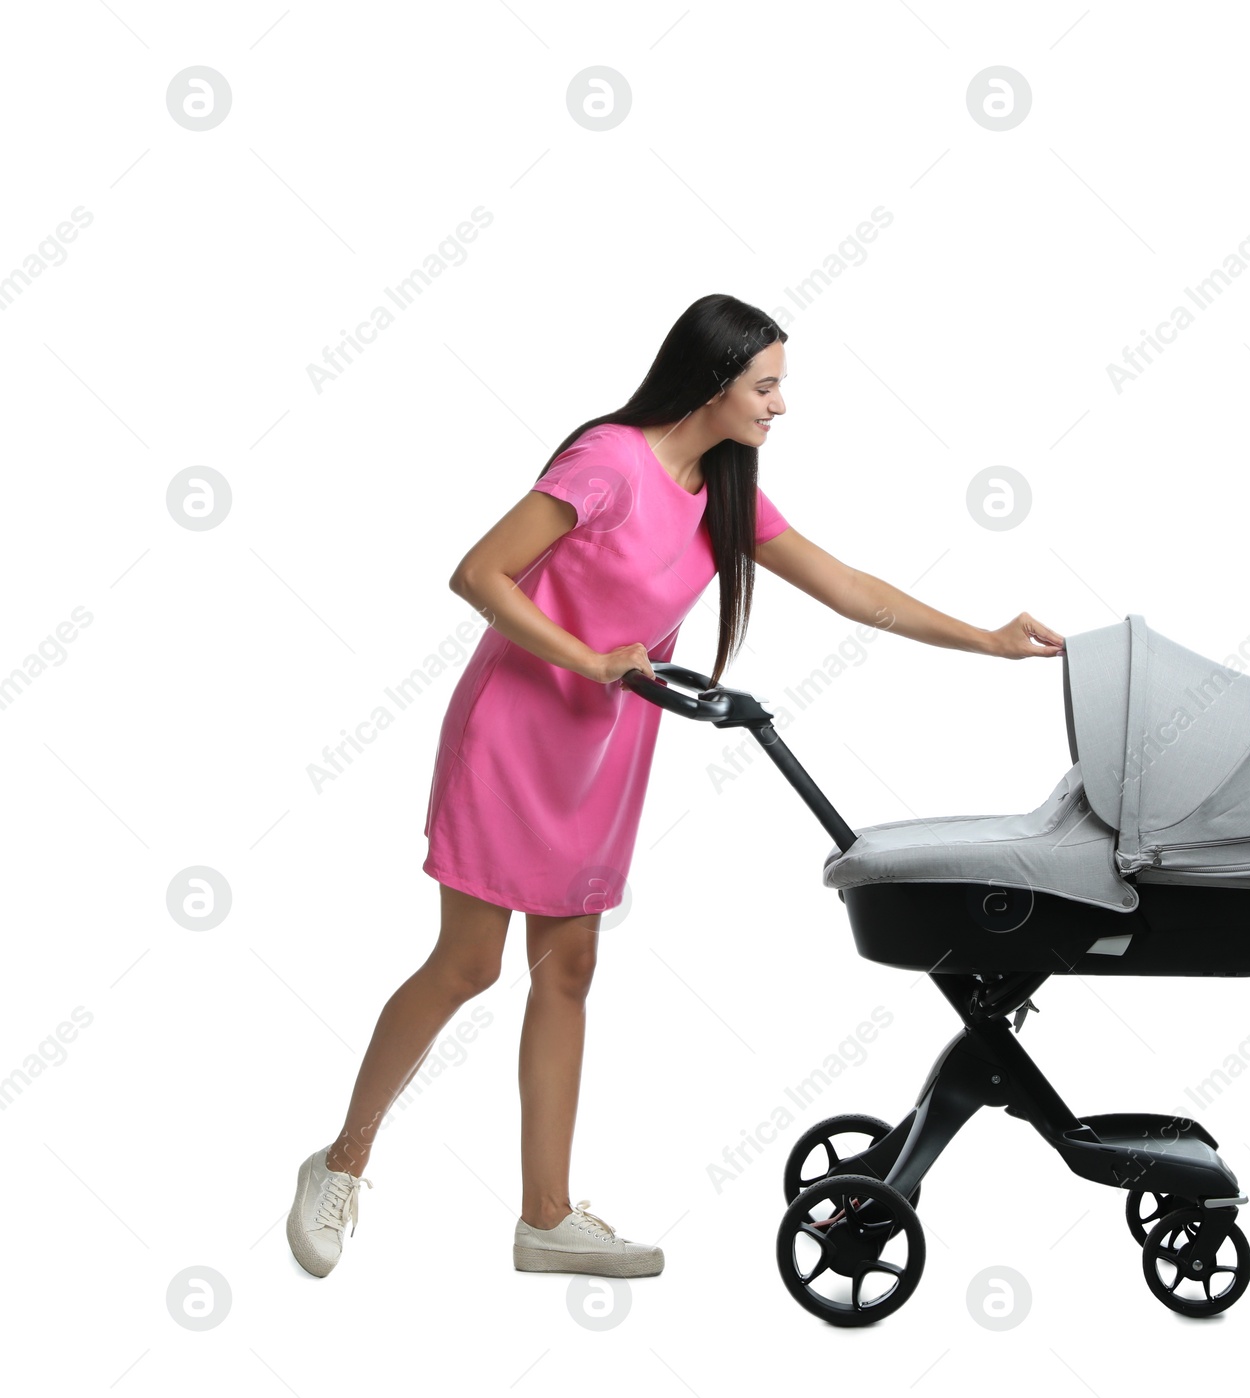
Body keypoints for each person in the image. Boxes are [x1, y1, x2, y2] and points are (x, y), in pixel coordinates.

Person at [285, 292, 1065, 1281]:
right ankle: (341, 1161)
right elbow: (479, 575)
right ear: (711, 381)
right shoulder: (608, 464)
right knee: (469, 966)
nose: (780, 407)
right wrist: (591, 659)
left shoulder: (726, 492)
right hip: (514, 732)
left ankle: (544, 1218)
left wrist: (987, 640)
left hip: (604, 753)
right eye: (766, 386)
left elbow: (851, 589)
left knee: (567, 972)